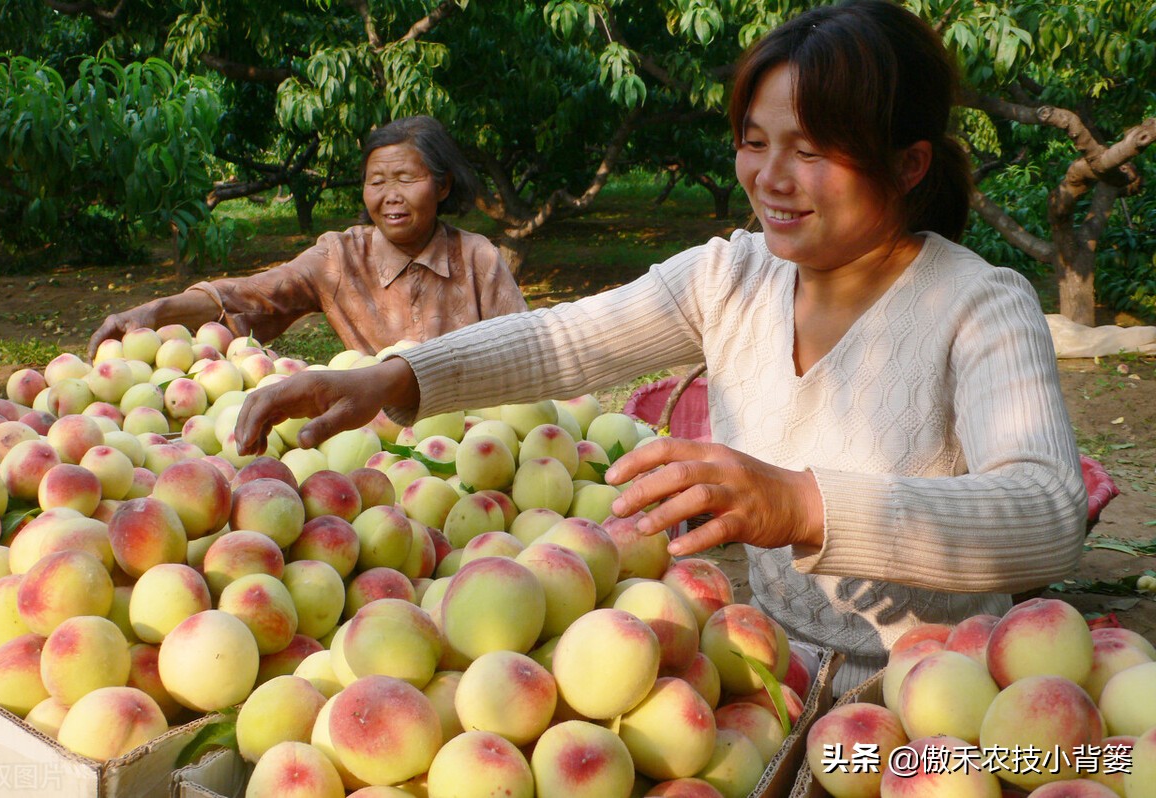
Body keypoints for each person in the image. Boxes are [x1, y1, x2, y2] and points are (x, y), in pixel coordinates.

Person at [233, 0, 1087, 693]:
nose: (771, 178)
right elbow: (567, 339)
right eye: (755, 141)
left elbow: (1046, 513)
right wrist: (398, 376)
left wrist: (802, 503)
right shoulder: (732, 278)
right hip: (767, 680)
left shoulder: (980, 305)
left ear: (908, 164)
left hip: (938, 709)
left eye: (814, 150)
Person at [87, 115, 527, 358]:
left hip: (474, 438)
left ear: (443, 185)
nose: (390, 197)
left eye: (406, 180)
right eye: (376, 182)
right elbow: (248, 297)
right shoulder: (341, 258)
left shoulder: (478, 259)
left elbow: (523, 354)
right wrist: (156, 310)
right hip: (372, 440)